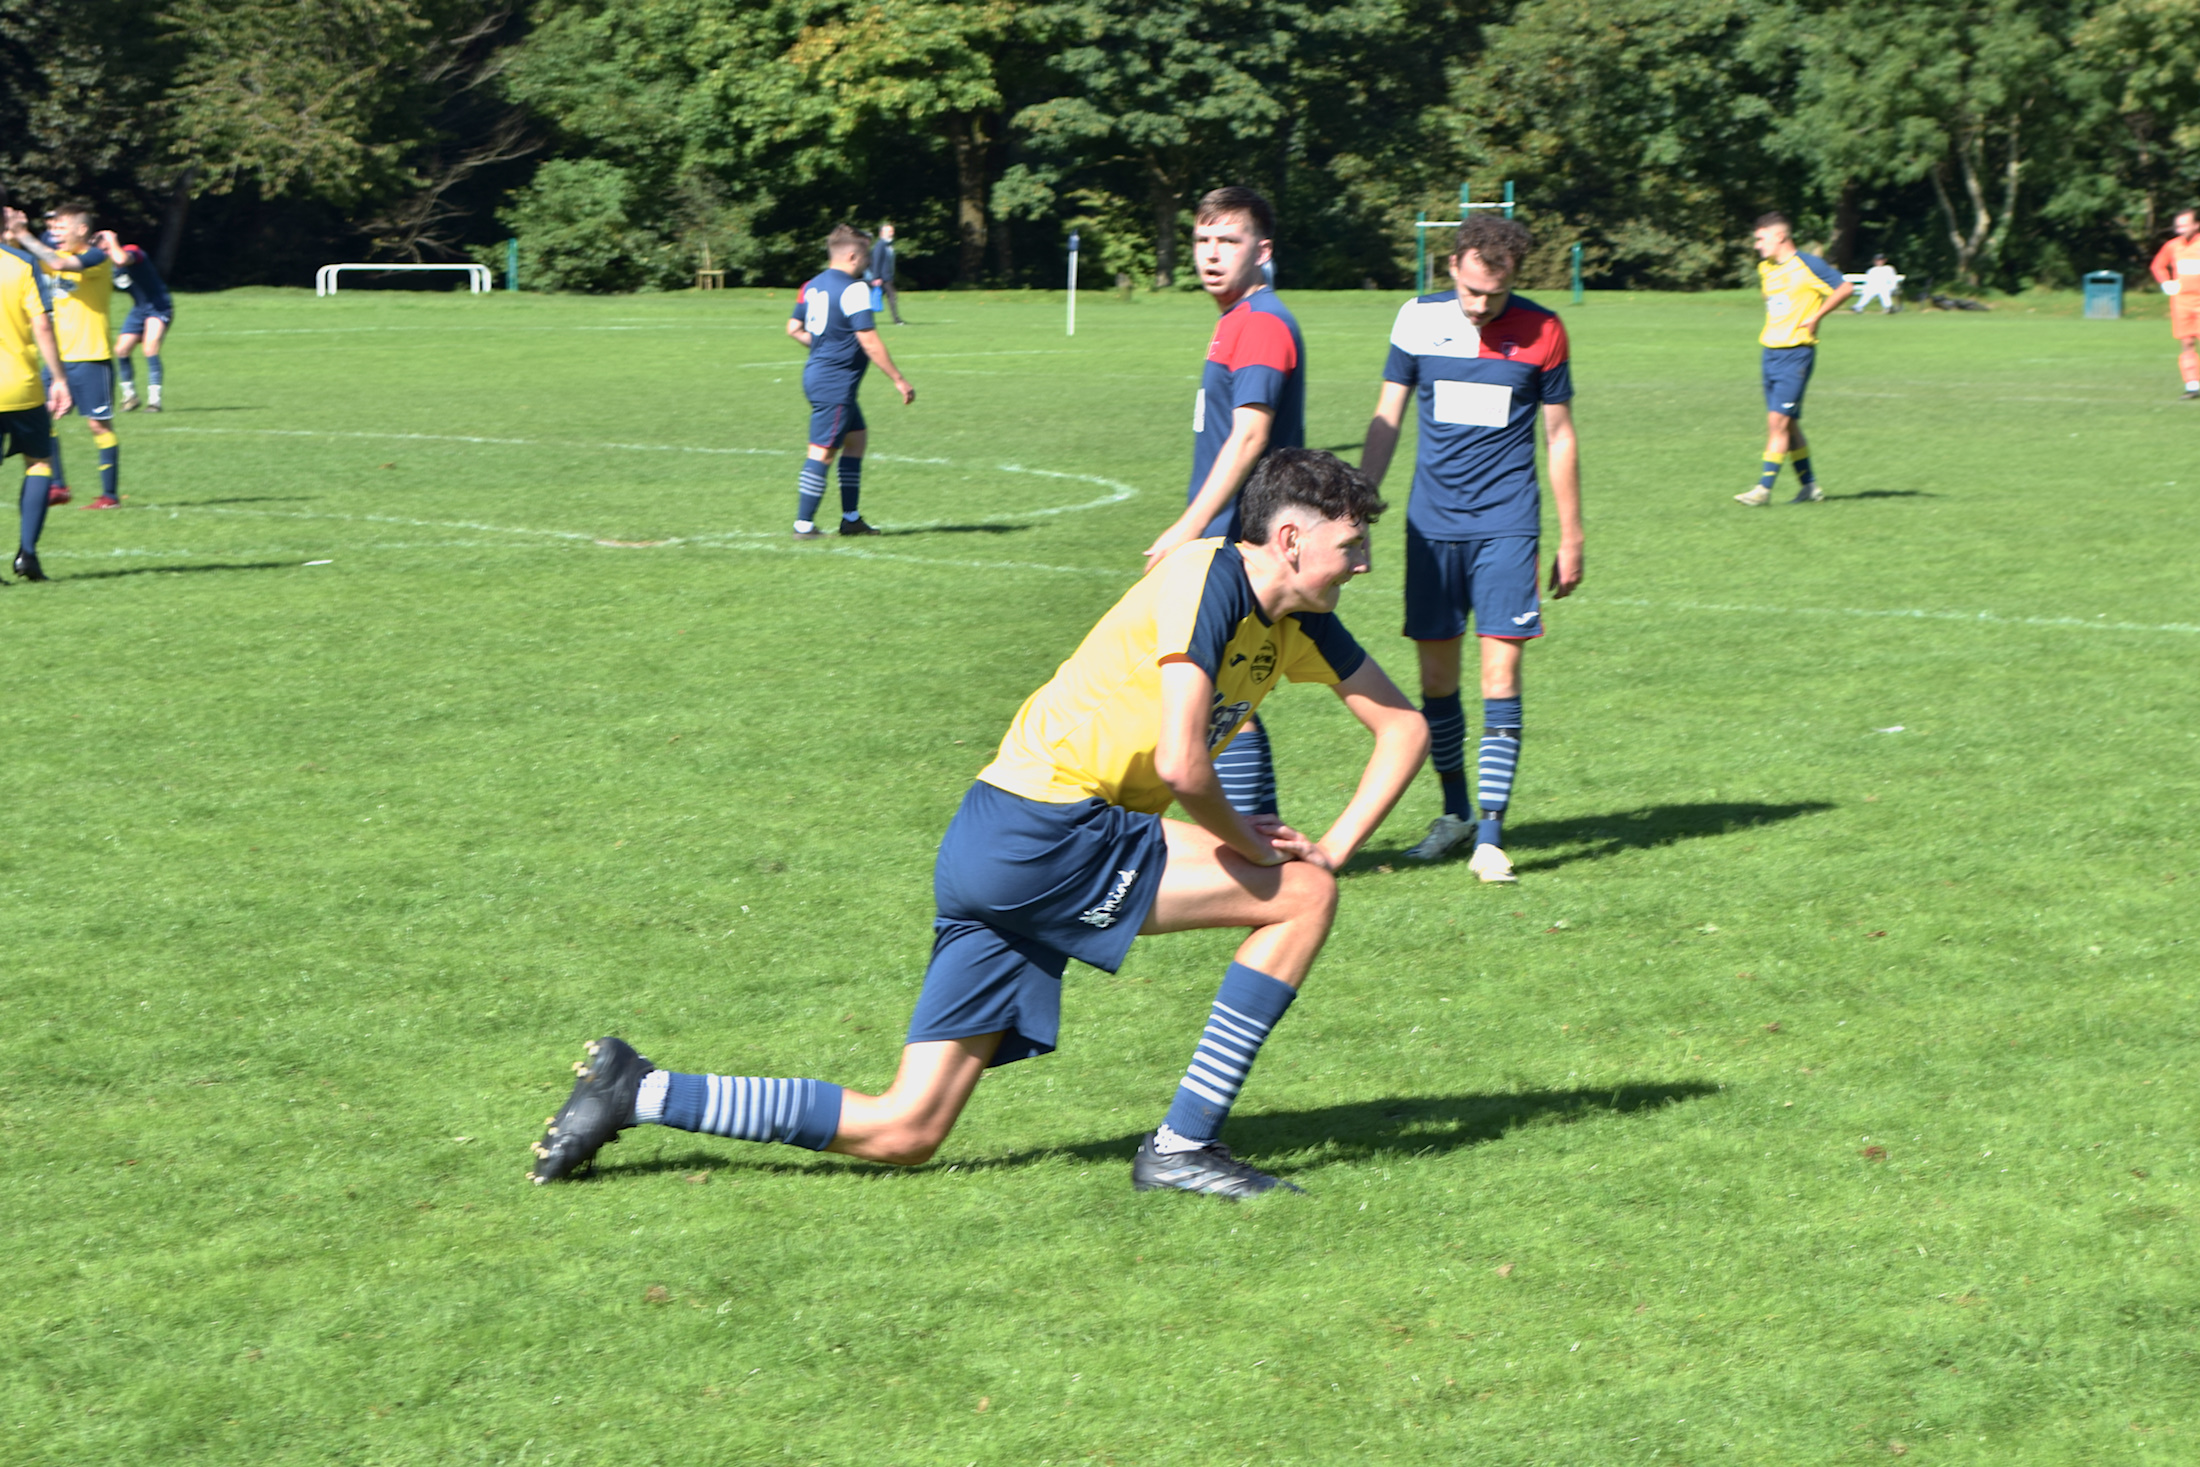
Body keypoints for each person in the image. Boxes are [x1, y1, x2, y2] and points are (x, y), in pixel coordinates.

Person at [527, 450, 1428, 1198]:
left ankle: (639, 1090)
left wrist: (1336, 844)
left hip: (995, 840)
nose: (1363, 564)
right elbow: (1182, 764)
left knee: (906, 1129)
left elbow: (1404, 727)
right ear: (1289, 539)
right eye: (1351, 545)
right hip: (1049, 831)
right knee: (1300, 897)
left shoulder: (1299, 621)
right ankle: (1183, 1146)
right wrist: (1253, 843)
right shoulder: (1209, 575)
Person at [1359, 214, 1582, 883]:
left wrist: (1572, 534)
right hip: (1431, 527)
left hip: (1507, 525)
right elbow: (1386, 418)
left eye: (1496, 294)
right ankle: (1454, 814)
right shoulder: (1416, 319)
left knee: (1499, 679)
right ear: (1452, 265)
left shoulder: (1544, 330)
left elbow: (1560, 436)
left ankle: (1490, 835)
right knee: (1436, 683)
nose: (1482, 306)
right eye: (1472, 291)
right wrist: (1358, 508)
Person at [1142, 186, 1307, 819]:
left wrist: (1187, 528)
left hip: (1240, 540)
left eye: (1228, 241)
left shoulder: (1260, 323)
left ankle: (1260, 841)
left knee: (1216, 694)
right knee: (1215, 693)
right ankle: (1258, 839)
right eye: (1202, 240)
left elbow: (1249, 436)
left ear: (1261, 251)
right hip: (1237, 535)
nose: (1211, 254)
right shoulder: (1238, 318)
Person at [785, 224, 914, 539]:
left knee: (856, 441)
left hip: (821, 376)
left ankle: (851, 519)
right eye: (866, 256)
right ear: (853, 256)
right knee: (823, 450)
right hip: (835, 382)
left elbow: (793, 328)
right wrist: (899, 380)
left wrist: (823, 347)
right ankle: (803, 525)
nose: (868, 262)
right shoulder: (855, 289)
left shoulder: (811, 285)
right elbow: (868, 340)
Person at [6, 203, 124, 512]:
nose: (55, 233)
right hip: (58, 359)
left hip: (91, 356)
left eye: (61, 227)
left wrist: (23, 233)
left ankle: (109, 496)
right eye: (53, 228)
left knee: (98, 426)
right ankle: (57, 486)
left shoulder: (95, 257)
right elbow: (24, 259)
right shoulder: (53, 256)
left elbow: (57, 263)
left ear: (81, 229)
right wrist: (11, 233)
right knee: (42, 419)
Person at [1734, 212, 1850, 506]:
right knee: (1788, 425)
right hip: (1770, 354)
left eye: (1761, 239)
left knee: (1777, 422)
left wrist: (1817, 316)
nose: (1757, 245)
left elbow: (1845, 288)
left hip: (1796, 355)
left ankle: (1763, 490)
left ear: (1780, 236)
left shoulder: (1808, 265)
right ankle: (1809, 487)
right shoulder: (1766, 268)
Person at [0, 205, 73, 584]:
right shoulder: (20, 263)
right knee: (39, 462)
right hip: (21, 385)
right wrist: (58, 378)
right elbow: (42, 325)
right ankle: (27, 554)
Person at [100, 231, 173, 412]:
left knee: (150, 348)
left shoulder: (131, 251)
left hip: (159, 306)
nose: (104, 253)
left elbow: (122, 259)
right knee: (121, 349)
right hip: (139, 309)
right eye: (101, 250)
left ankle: (154, 401)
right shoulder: (107, 266)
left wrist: (111, 240)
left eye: (106, 249)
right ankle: (130, 396)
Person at [2149, 209, 2200, 399]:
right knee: (2186, 342)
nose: (2180, 229)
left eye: (2184, 225)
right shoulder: (2172, 246)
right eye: (2178, 226)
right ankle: (2192, 386)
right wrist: (2166, 282)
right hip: (2181, 302)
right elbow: (2157, 265)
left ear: (2196, 225)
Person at [866, 222, 905, 326]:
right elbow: (876, 261)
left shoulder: (888, 245)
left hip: (887, 276)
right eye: (889, 231)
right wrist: (876, 277)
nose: (892, 233)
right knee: (891, 296)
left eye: (892, 231)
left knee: (885, 297)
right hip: (882, 277)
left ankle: (896, 319)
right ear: (882, 233)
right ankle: (896, 319)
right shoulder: (880, 245)